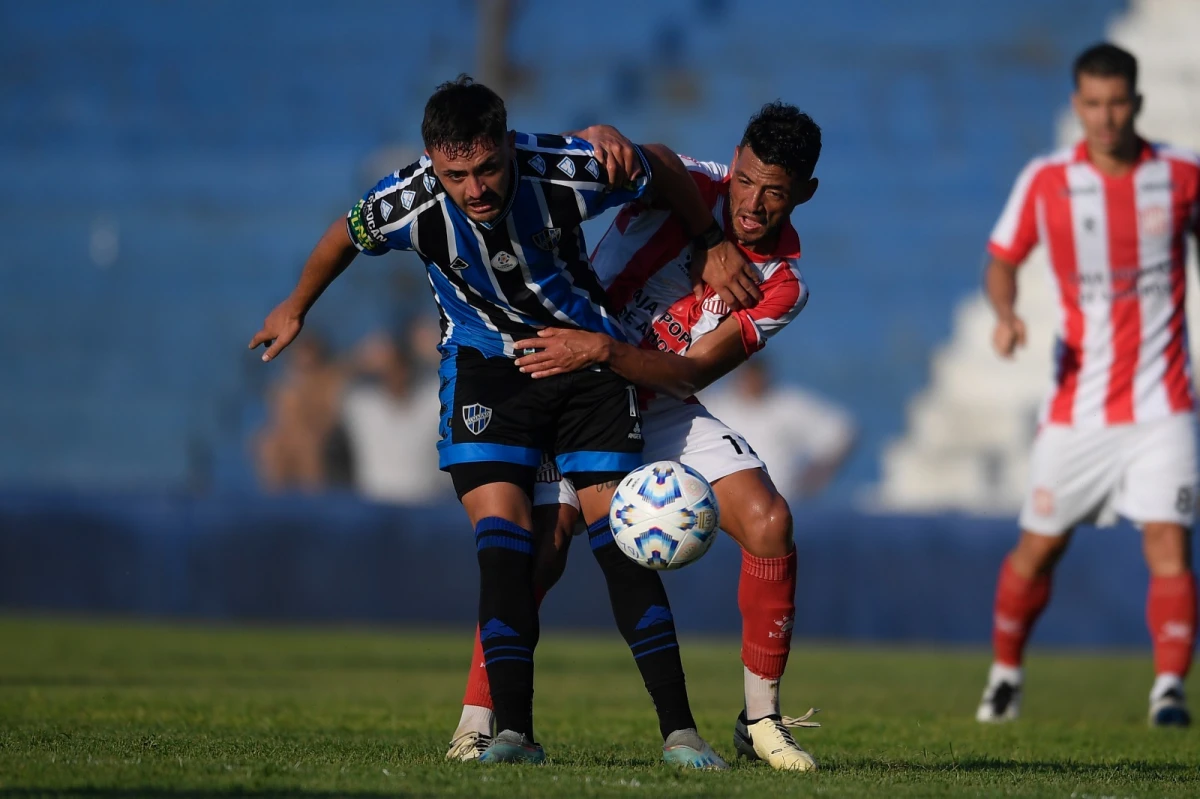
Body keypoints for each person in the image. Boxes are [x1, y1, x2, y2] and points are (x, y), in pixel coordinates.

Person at [250, 75, 758, 766]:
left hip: (584, 363)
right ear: (434, 162)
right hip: (487, 371)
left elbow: (661, 162)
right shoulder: (408, 201)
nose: (475, 188)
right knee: (506, 540)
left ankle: (681, 735)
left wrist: (707, 238)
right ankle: (512, 734)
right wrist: (296, 305)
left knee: (623, 539)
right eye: (455, 174)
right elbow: (344, 233)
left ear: (509, 146)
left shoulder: (561, 170)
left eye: (487, 167)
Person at [447, 102, 827, 771]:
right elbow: (644, 156)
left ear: (804, 194)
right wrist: (608, 139)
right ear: (733, 161)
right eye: (745, 179)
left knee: (771, 520)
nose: (753, 203)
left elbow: (689, 374)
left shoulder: (783, 284)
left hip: (650, 395)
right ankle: (478, 722)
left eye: (775, 192)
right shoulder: (696, 185)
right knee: (542, 547)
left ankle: (760, 719)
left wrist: (601, 348)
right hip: (571, 386)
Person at [976, 43, 1200, 727]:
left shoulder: (1182, 175)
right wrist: (1006, 312)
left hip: (1164, 402)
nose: (1105, 118)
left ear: (1136, 103)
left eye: (1117, 103)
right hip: (1077, 408)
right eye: (1093, 105)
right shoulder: (1047, 181)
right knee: (1041, 545)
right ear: (1078, 106)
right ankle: (1006, 674)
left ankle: (1168, 689)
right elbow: (1002, 258)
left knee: (1168, 540)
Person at [702, 359, 856, 500]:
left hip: (784, 501)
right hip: (726, 503)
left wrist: (817, 475)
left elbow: (842, 430)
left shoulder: (787, 404)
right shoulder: (717, 405)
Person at [340, 333, 449, 504]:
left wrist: (437, 353)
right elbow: (324, 392)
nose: (396, 374)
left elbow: (471, 387)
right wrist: (357, 361)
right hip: (374, 508)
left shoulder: (432, 401)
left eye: (401, 366)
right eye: (389, 367)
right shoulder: (365, 405)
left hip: (427, 507)